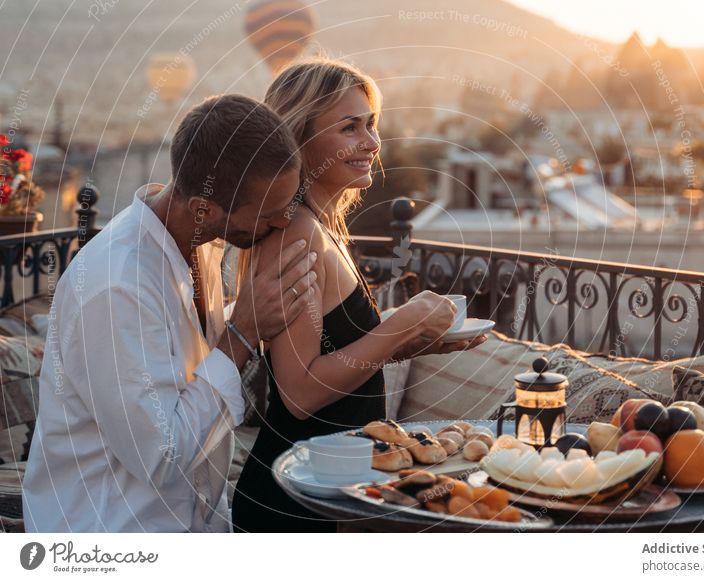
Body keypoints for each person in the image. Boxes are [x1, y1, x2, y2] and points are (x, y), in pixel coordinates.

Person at [22, 94, 316, 532]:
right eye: (270, 216)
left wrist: (261, 311)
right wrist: (241, 332)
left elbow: (173, 344)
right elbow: (161, 455)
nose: (281, 223)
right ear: (203, 209)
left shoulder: (200, 243)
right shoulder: (115, 284)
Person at [232, 58, 487, 532]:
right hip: (294, 502)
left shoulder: (324, 227)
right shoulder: (296, 235)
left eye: (371, 125)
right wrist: (398, 327)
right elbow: (300, 393)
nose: (371, 143)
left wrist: (416, 339)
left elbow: (339, 353)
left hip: (330, 486)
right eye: (350, 128)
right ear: (298, 141)